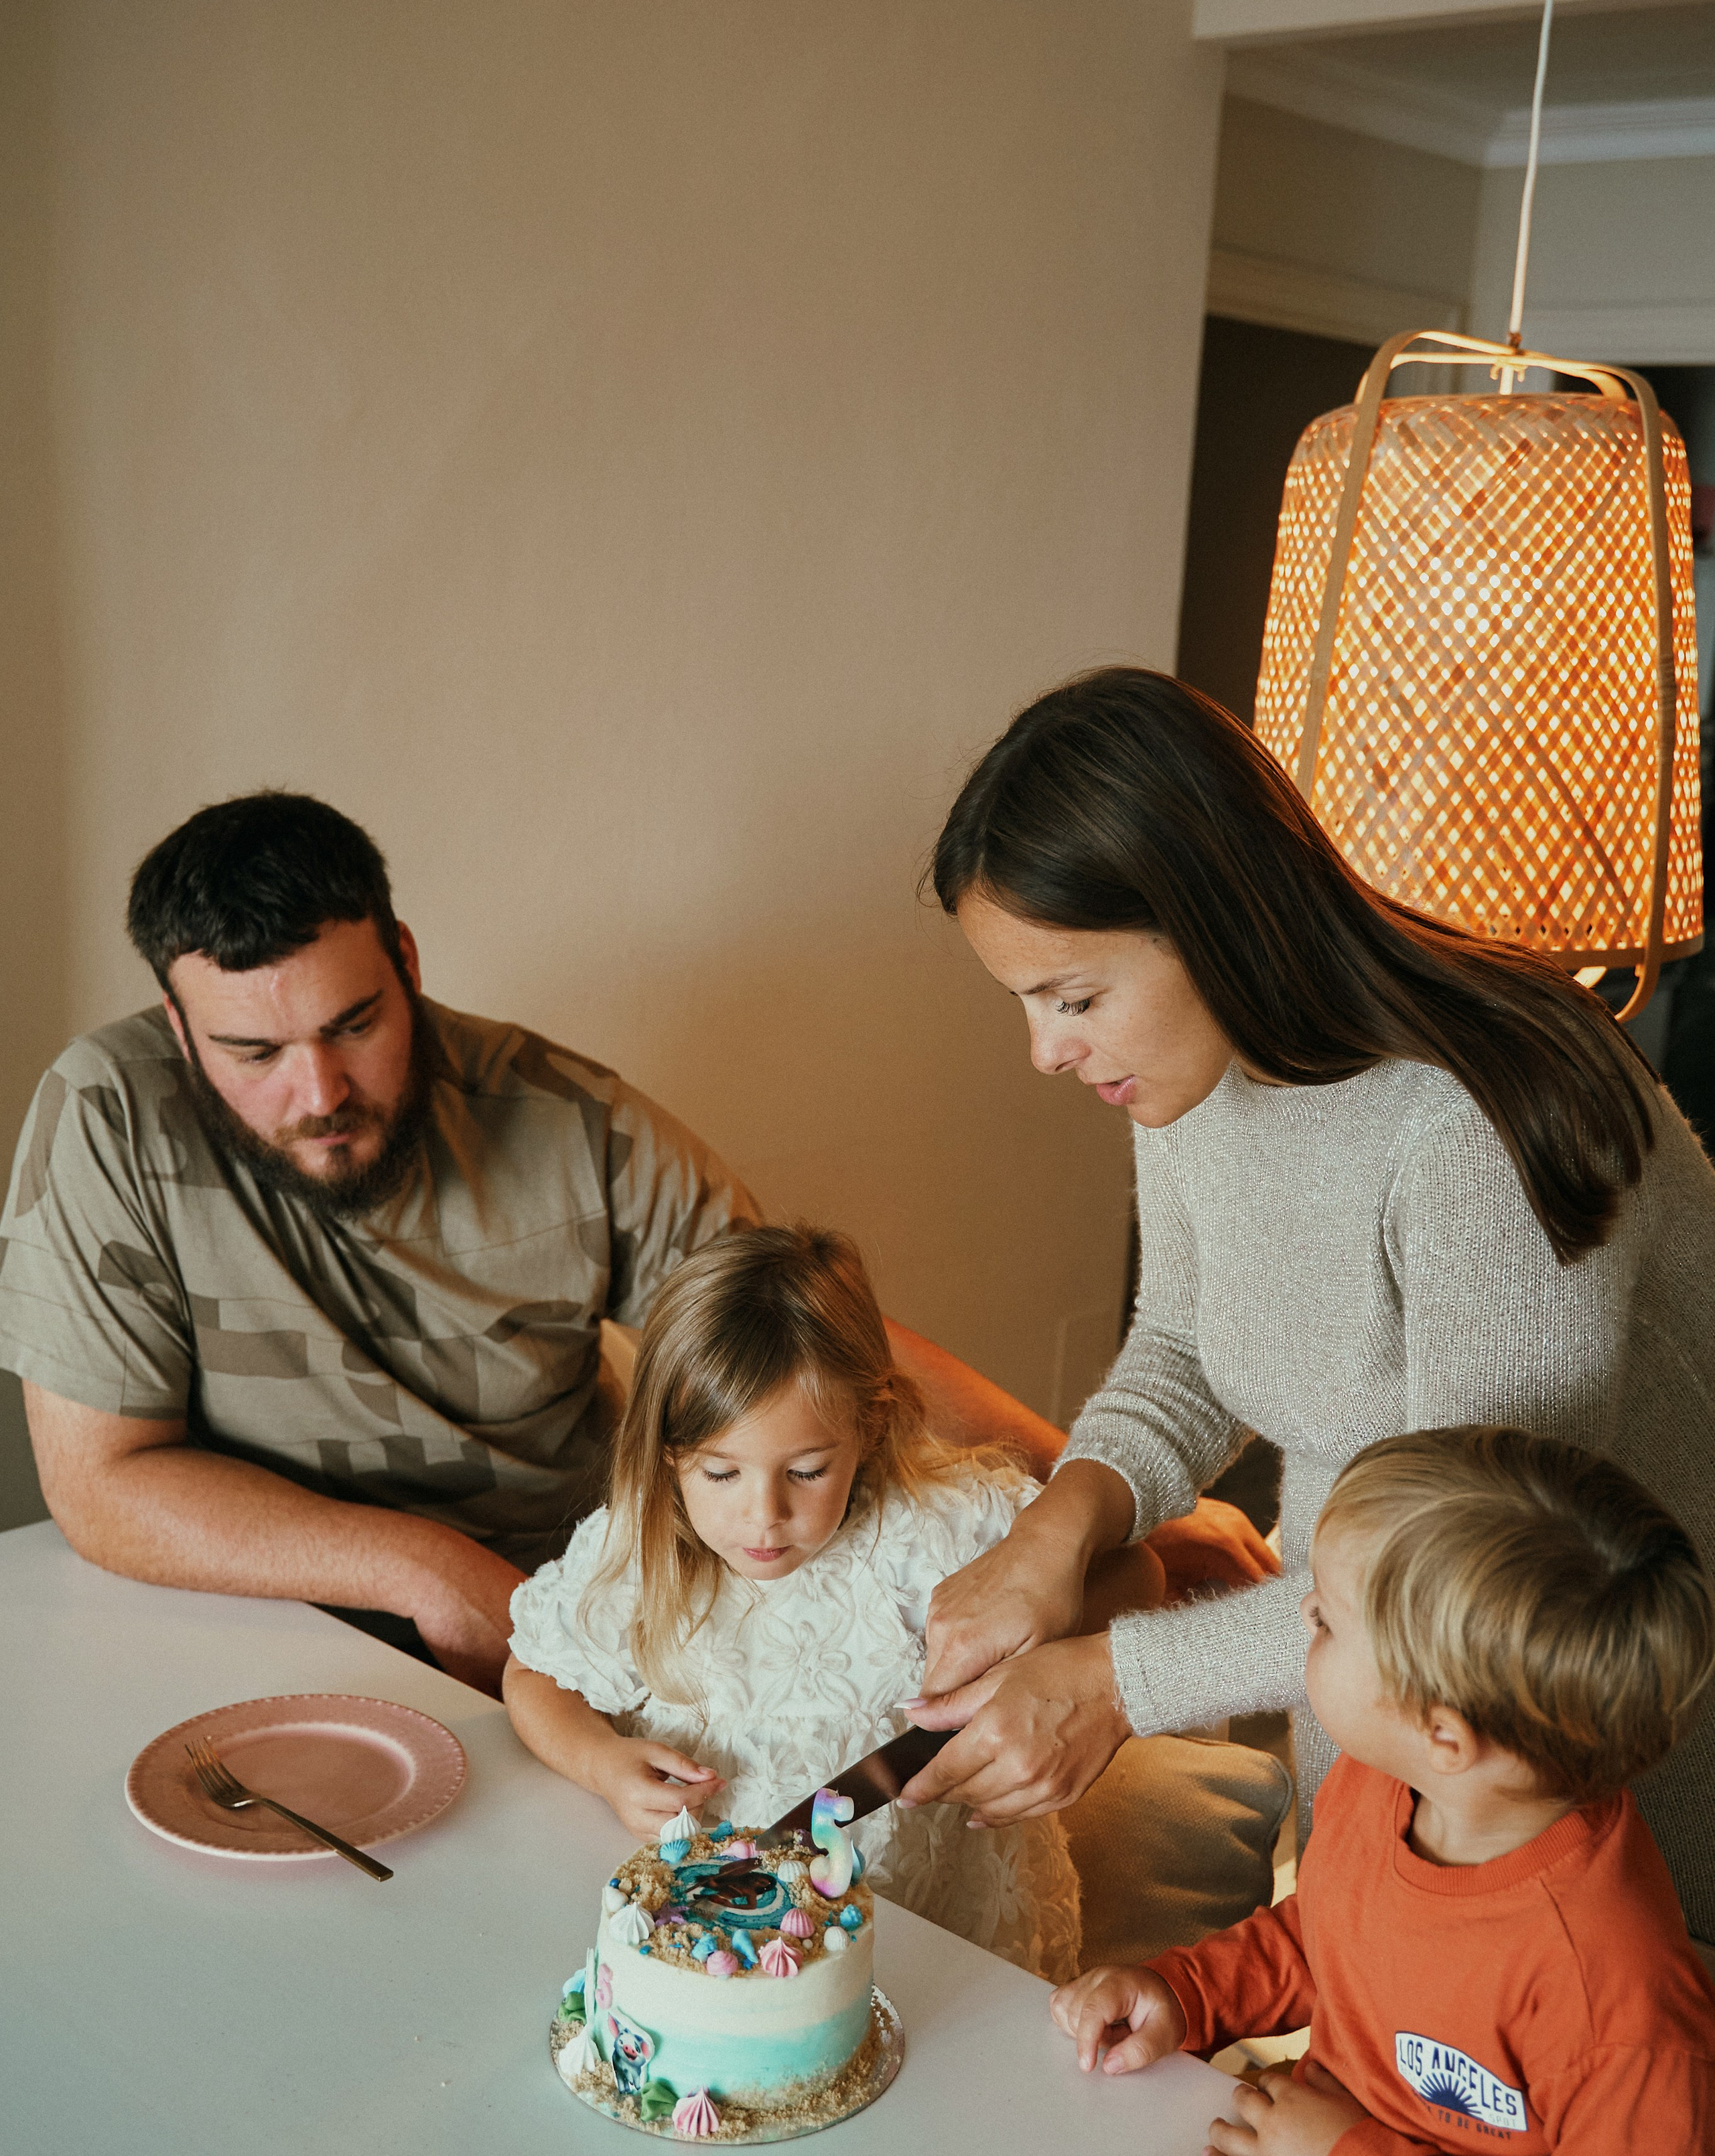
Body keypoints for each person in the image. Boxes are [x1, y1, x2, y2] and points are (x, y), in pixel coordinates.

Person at [899, 667, 1715, 1954]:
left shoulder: (1482, 1119)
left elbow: (1460, 1579)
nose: (1046, 1053)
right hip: (1365, 1712)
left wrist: (1120, 1681)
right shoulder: (1192, 1070)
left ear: (1208, 919)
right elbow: (1186, 1343)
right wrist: (1061, 1523)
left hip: (1585, 1780)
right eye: (1026, 1003)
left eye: (1073, 998)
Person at [0, 792, 1058, 1693]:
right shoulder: (106, 1117)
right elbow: (101, 1483)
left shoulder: (568, 1120)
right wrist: (423, 1566)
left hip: (558, 1612)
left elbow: (807, 1345)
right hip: (254, 1622)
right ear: (180, 1030)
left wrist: (1092, 1490)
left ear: (405, 963)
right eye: (253, 1050)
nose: (317, 1091)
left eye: (354, 1024)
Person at [1051, 1428, 1715, 2156]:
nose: (1301, 1623)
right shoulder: (1385, 1781)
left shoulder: (1612, 1989)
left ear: (1443, 1732)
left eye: (1324, 1617)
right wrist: (1186, 1992)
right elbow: (1329, 1936)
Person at [504, 1224, 1164, 1977]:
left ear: (867, 1427)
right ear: (666, 1454)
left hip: (943, 1944)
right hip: (726, 1952)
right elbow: (531, 1677)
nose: (764, 1515)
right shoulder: (638, 1550)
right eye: (721, 1474)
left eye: (808, 1470)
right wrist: (602, 1763)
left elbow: (1137, 1573)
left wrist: (1061, 1658)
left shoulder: (940, 1529)